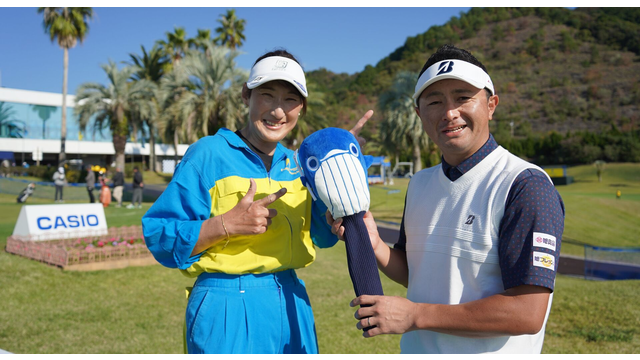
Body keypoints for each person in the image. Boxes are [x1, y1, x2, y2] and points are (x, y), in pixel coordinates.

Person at [328, 44, 565, 354]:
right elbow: (420, 275)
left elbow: (526, 312)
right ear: (419, 113)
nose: (449, 112)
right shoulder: (420, 183)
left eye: (463, 97)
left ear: (491, 104)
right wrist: (375, 246)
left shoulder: (525, 185)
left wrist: (414, 315)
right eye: (435, 101)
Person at [142, 49, 372, 354]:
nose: (278, 111)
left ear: (301, 107)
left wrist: (338, 174)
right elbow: (160, 236)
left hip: (292, 300)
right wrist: (224, 225)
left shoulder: (299, 165)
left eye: (290, 99)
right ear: (245, 96)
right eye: (267, 95)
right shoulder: (208, 154)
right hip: (225, 305)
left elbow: (319, 236)